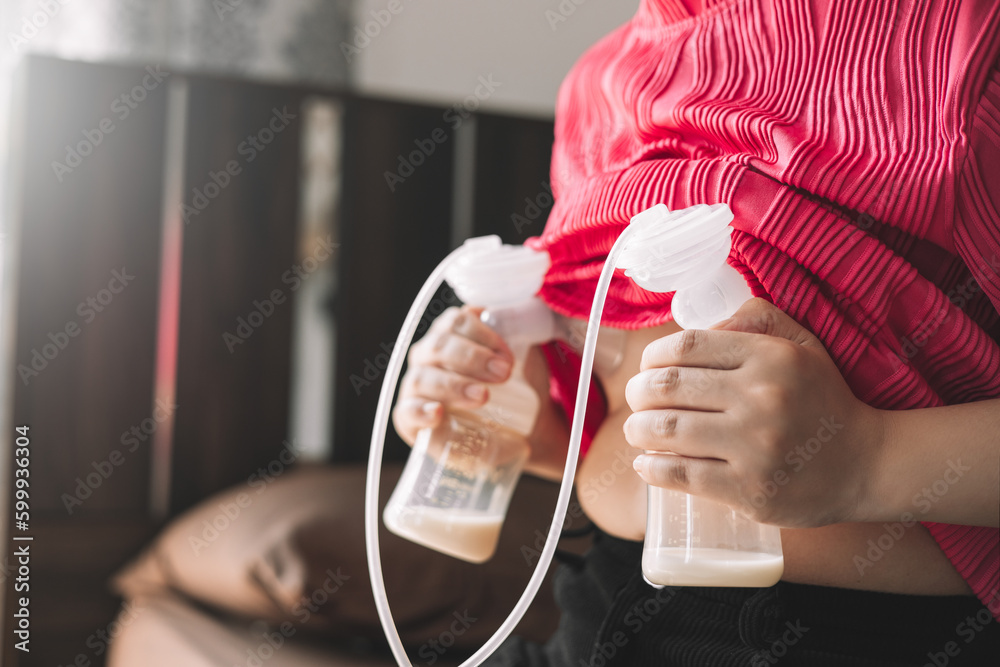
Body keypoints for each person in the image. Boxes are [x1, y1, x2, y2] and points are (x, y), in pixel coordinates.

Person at [392, 0, 1000, 664]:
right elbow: (628, 388)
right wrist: (541, 429)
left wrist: (870, 457)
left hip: (839, 633)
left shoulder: (967, 52)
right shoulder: (610, 77)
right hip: (595, 603)